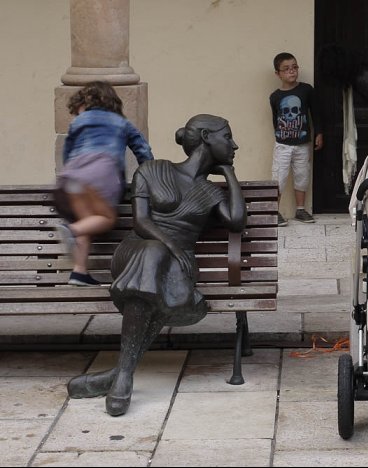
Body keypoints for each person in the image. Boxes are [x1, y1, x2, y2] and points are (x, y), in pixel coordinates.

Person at [66, 114, 247, 416]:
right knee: (153, 255)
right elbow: (141, 221)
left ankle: (121, 373)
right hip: (135, 253)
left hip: (176, 265)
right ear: (205, 137)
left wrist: (228, 173)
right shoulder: (152, 169)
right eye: (227, 137)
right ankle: (123, 373)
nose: (234, 144)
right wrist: (173, 246)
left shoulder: (210, 191)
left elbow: (237, 221)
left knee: (157, 272)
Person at [54, 81, 154, 286]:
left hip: (71, 177)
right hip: (100, 174)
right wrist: (149, 175)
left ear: (85, 103)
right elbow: (143, 151)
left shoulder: (78, 122)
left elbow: (67, 153)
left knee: (84, 220)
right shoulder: (121, 122)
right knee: (104, 218)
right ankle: (71, 231)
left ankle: (79, 272)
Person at [270, 52, 323, 226]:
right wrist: (280, 135)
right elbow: (275, 119)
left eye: (294, 67)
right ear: (278, 74)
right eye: (286, 69)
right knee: (279, 177)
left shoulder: (306, 90)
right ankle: (273, 211)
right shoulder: (275, 96)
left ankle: (300, 210)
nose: (291, 71)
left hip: (302, 144)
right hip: (282, 145)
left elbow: (316, 113)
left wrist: (319, 133)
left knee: (302, 176)